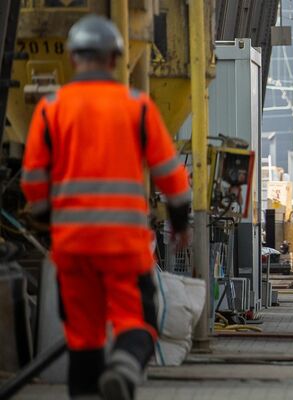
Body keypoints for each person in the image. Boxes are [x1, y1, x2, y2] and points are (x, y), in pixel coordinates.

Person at [20, 14, 191, 400]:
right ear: (115, 59)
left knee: (83, 337)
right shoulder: (137, 107)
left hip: (73, 246)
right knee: (137, 322)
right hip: (123, 246)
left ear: (73, 58)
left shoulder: (51, 109)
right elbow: (171, 175)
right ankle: (125, 368)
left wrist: (50, 220)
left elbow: (33, 180)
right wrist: (180, 222)